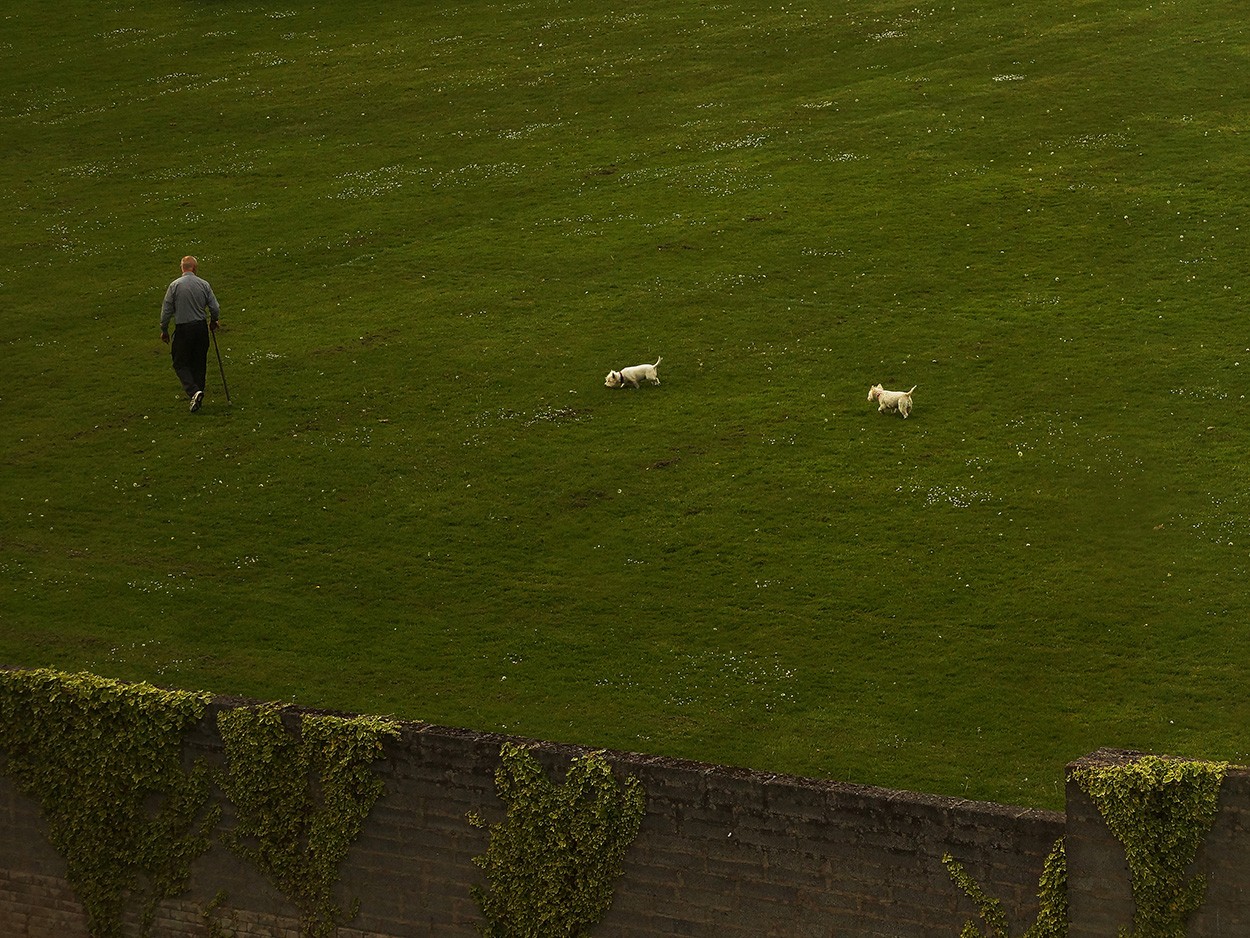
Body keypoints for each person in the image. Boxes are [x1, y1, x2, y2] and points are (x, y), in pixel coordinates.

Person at [160, 256, 221, 412]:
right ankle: (197, 397)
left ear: (183, 268)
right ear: (194, 268)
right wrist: (214, 321)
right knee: (199, 362)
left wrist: (164, 329)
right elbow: (214, 307)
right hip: (200, 328)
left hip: (183, 329)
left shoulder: (175, 286)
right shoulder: (204, 284)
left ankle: (194, 392)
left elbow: (167, 310)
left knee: (180, 362)